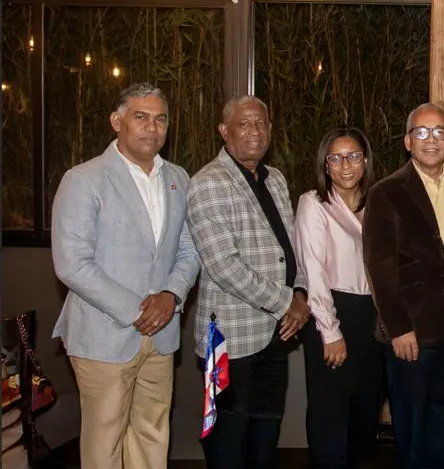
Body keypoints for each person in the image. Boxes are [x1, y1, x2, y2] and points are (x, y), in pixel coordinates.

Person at [50, 83, 202, 469]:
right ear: (117, 121)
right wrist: (136, 309)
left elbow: (189, 250)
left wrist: (171, 294)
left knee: (153, 437)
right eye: (141, 117)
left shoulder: (179, 179)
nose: (152, 128)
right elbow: (72, 263)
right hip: (104, 334)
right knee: (104, 445)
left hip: (162, 333)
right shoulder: (83, 179)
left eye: (160, 119)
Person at [189, 95, 310, 469]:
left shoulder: (275, 179)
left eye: (261, 123)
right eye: (244, 124)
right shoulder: (207, 183)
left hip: (277, 332)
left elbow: (293, 246)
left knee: (266, 429)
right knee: (227, 434)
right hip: (228, 336)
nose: (254, 131)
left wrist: (302, 293)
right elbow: (224, 266)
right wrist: (286, 301)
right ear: (224, 132)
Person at [363, 103, 444, 469]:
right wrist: (398, 328)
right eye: (422, 133)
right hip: (410, 334)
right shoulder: (385, 192)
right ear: (408, 142)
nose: (431, 140)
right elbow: (380, 267)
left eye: (439, 132)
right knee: (411, 434)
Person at [296, 127, 383, 469]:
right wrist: (330, 331)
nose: (345, 165)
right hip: (331, 313)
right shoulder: (314, 204)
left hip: (372, 319)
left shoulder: (378, 202)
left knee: (365, 414)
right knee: (330, 415)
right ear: (325, 164)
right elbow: (313, 271)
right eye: (336, 157)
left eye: (354, 156)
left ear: (365, 161)